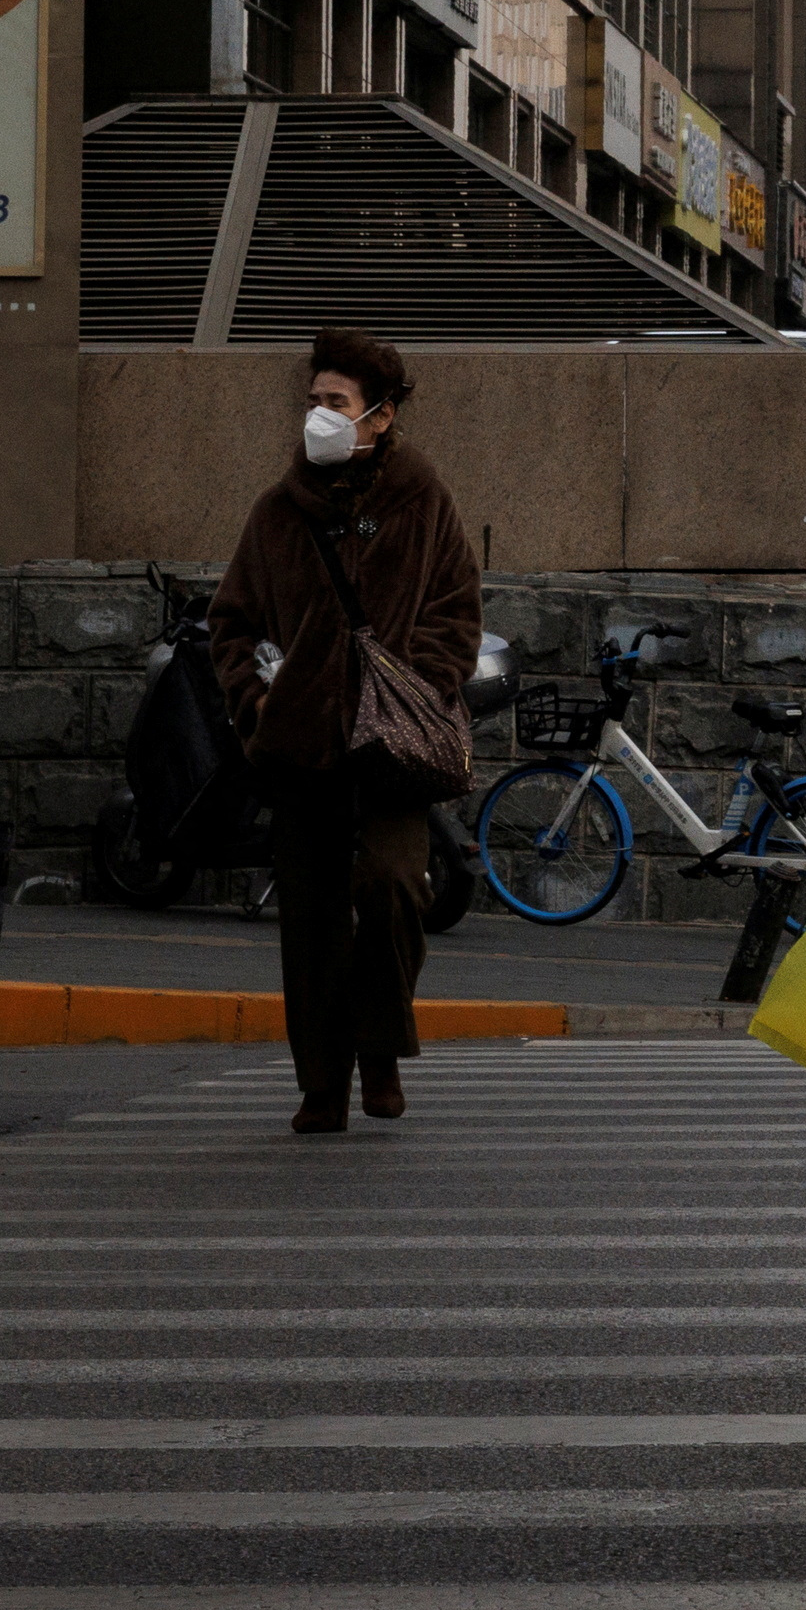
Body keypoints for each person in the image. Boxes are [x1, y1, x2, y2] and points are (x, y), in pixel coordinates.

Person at [205, 326, 482, 1135]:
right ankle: (322, 1082)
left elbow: (458, 610)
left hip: (392, 748)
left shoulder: (424, 501)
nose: (319, 415)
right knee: (312, 918)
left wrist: (421, 684)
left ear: (381, 417)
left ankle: (381, 1045)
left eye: (337, 403)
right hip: (300, 746)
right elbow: (232, 621)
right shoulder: (278, 511)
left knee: (395, 888)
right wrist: (259, 708)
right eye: (313, 401)